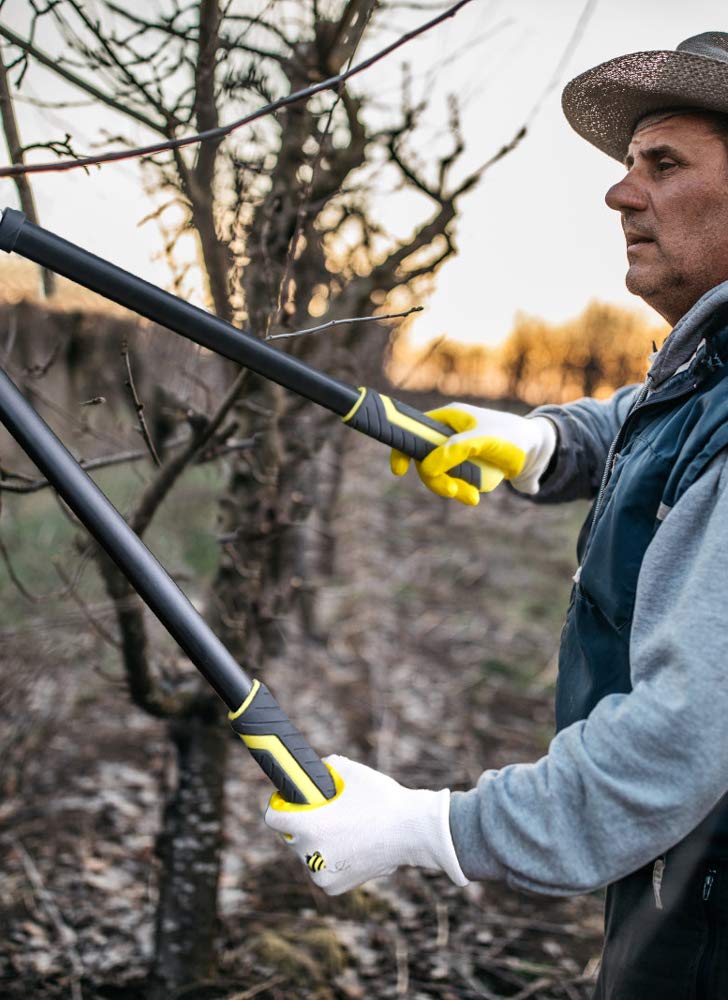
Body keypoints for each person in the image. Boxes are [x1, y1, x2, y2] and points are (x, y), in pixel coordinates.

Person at [263, 32, 728, 998]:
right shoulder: (708, 367)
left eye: (664, 164)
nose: (620, 192)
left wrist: (428, 828)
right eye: (629, 163)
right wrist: (542, 441)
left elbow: (678, 743)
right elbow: (661, 418)